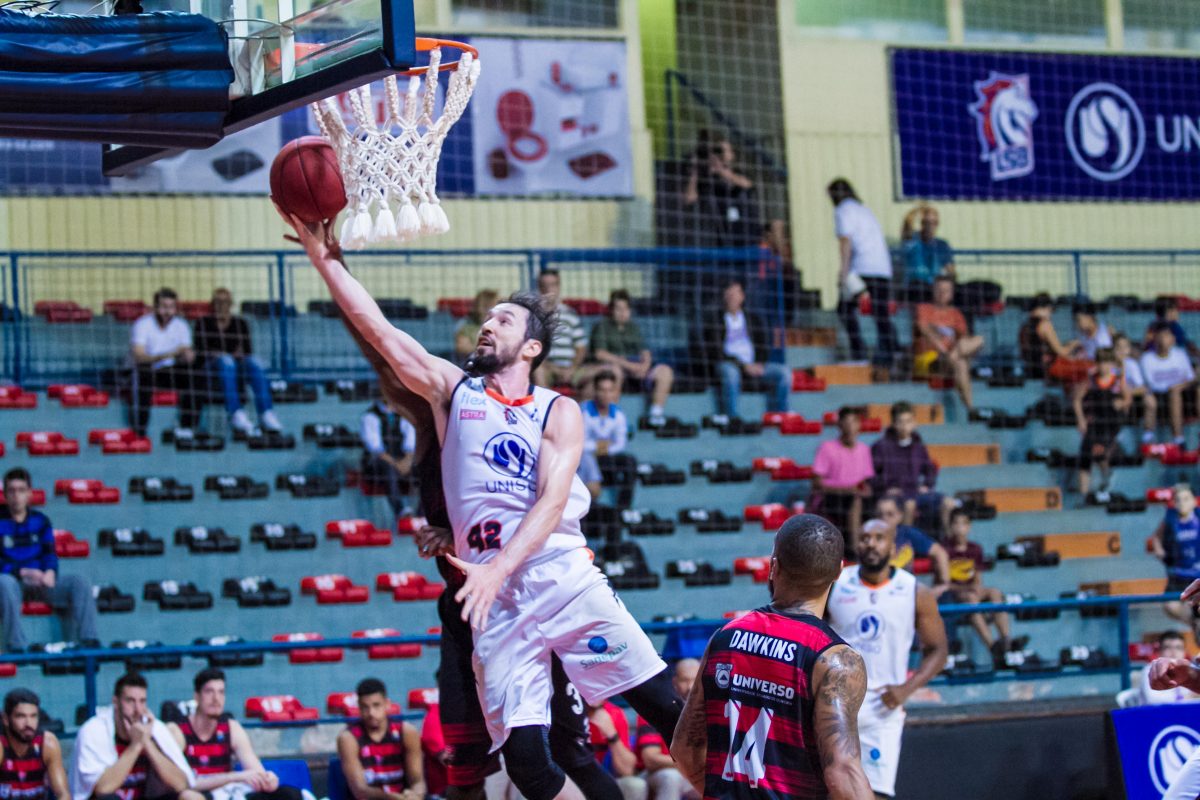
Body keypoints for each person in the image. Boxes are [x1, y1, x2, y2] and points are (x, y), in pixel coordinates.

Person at [286, 212, 682, 800]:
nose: (487, 325)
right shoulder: (453, 392)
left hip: (560, 577)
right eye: (487, 317)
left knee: (664, 708)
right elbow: (381, 333)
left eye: (504, 319)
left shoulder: (558, 409)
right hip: (493, 602)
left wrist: (495, 566)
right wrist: (325, 261)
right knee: (525, 763)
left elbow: (551, 502)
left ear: (532, 347)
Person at [332, 283, 621, 800]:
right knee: (466, 769)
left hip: (528, 595)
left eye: (501, 323)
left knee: (569, 752)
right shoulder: (442, 407)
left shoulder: (526, 419)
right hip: (467, 606)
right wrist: (337, 280)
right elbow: (384, 353)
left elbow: (546, 506)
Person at [669, 514, 873, 800]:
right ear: (839, 571)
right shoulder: (835, 660)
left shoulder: (725, 638)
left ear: (773, 566)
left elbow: (684, 749)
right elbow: (843, 772)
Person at [826, 518, 948, 800]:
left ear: (893, 548)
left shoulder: (915, 592)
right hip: (835, 707)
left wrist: (907, 688)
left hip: (883, 711)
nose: (871, 544)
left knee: (876, 794)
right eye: (865, 538)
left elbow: (938, 650)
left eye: (879, 538)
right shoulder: (835, 583)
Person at [0, 468, 98, 653]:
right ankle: (16, 646)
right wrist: (22, 572)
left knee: (78, 582)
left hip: (40, 582)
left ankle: (89, 641)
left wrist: (50, 572)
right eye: (11, 491)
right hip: (12, 583)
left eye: (21, 490)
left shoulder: (41, 521)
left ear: (29, 493)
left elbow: (49, 554)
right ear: (5, 494)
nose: (16, 496)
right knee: (4, 583)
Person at [167, 669, 300, 800]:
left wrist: (268, 779)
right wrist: (235, 777)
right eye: (209, 692)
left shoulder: (231, 727)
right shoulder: (178, 730)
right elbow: (184, 784)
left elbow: (256, 771)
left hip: (227, 794)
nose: (216, 698)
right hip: (198, 794)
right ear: (197, 696)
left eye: (221, 692)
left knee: (289, 794)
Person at [70, 672, 199, 800]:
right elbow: (103, 789)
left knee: (190, 797)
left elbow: (181, 784)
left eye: (142, 701)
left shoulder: (155, 729)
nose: (137, 709)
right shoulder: (94, 731)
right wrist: (135, 746)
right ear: (115, 702)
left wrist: (147, 743)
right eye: (130, 701)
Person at [193, 288, 282, 436]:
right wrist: (221, 355)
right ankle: (236, 413)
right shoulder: (203, 323)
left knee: (255, 363)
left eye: (225, 302)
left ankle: (266, 413)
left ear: (231, 304)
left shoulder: (240, 323)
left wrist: (235, 355)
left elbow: (247, 351)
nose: (221, 306)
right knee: (226, 361)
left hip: (235, 365)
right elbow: (200, 351)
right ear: (212, 304)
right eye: (218, 302)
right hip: (211, 367)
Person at [828, 178, 895, 366]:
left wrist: (843, 272)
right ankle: (890, 354)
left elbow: (846, 241)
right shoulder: (864, 210)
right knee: (881, 314)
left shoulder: (843, 210)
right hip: (882, 268)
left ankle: (859, 352)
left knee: (844, 308)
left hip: (862, 268)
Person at [700, 280, 789, 418]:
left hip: (754, 364)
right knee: (730, 373)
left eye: (735, 294)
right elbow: (715, 350)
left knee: (784, 373)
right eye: (729, 294)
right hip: (730, 364)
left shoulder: (753, 319)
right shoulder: (715, 321)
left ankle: (781, 414)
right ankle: (732, 417)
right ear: (724, 297)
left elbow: (763, 344)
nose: (732, 297)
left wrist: (759, 363)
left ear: (742, 296)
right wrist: (742, 365)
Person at [589, 290, 674, 425]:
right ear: (611, 310)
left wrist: (644, 366)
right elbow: (600, 354)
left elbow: (645, 352)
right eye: (618, 309)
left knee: (665, 371)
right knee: (615, 371)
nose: (622, 312)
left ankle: (656, 414)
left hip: (636, 370)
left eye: (626, 309)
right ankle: (611, 417)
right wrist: (629, 366)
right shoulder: (602, 326)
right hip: (617, 369)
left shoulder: (633, 328)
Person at [870, 401, 955, 534]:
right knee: (909, 505)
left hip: (915, 492)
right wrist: (886, 488)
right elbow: (871, 475)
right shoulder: (881, 446)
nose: (905, 426)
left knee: (949, 503)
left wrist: (927, 485)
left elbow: (930, 469)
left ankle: (949, 541)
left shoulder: (918, 446)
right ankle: (906, 544)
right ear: (893, 423)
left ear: (915, 423)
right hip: (893, 495)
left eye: (908, 421)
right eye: (900, 422)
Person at [128, 288, 202, 437]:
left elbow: (185, 352)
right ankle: (140, 431)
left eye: (171, 307)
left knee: (195, 374)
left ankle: (187, 427)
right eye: (164, 307)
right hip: (148, 370)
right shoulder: (142, 324)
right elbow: (139, 356)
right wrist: (169, 354)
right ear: (155, 307)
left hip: (170, 371)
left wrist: (188, 356)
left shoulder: (181, 325)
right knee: (144, 373)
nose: (167, 312)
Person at [337, 678, 424, 800]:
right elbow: (360, 790)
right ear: (359, 707)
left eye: (376, 705)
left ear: (387, 704)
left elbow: (417, 780)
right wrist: (394, 798)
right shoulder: (348, 738)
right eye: (365, 707)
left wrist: (416, 795)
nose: (371, 713)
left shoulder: (407, 732)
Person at [943, 510, 1012, 663]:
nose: (960, 528)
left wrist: (977, 588)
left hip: (971, 590)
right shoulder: (945, 550)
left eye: (964, 523)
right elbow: (944, 583)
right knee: (971, 599)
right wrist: (966, 590)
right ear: (951, 526)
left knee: (995, 593)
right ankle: (992, 646)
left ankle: (1006, 641)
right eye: (956, 523)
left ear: (969, 527)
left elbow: (978, 579)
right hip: (955, 592)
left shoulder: (975, 549)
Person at [913, 276, 983, 410]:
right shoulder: (923, 308)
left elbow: (964, 339)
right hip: (930, 359)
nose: (942, 293)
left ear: (951, 293)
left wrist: (955, 352)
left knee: (978, 340)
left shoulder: (956, 314)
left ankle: (970, 409)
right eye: (939, 289)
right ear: (933, 291)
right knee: (960, 363)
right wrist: (942, 348)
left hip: (951, 358)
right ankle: (970, 409)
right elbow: (924, 328)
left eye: (946, 290)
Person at [811, 407, 874, 554]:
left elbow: (866, 481)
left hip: (857, 497)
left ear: (859, 425)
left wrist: (867, 490)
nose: (851, 427)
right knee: (855, 500)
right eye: (847, 423)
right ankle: (856, 552)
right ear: (839, 425)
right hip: (831, 498)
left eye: (854, 422)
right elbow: (816, 483)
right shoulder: (827, 448)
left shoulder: (864, 450)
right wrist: (847, 490)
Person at [632, 661, 696, 800]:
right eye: (684, 680)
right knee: (671, 777)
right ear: (674, 682)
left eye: (695, 680)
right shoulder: (655, 709)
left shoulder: (709, 712)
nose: (690, 687)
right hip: (655, 774)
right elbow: (651, 759)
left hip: (691, 773)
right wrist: (695, 763)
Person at [682, 133, 758, 249]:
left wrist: (720, 169)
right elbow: (689, 199)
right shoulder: (707, 179)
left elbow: (747, 184)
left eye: (723, 151)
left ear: (732, 155)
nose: (720, 154)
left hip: (743, 235)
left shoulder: (740, 173)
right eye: (717, 151)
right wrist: (695, 173)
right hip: (717, 238)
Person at [1073, 349, 1129, 500]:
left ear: (1112, 364)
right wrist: (1081, 419)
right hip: (1094, 422)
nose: (1103, 366)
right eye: (1100, 362)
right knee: (1085, 457)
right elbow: (1077, 400)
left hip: (1110, 424)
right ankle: (1082, 496)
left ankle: (1107, 478)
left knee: (1099, 452)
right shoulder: (1090, 380)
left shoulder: (1117, 381)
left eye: (1106, 362)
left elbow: (1128, 399)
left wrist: (1121, 403)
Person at [1149, 484, 1200, 638]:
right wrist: (1160, 552)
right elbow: (1156, 538)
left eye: (1186, 499)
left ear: (1194, 501)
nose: (1182, 503)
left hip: (1197, 575)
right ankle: (1194, 623)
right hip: (1178, 574)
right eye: (1178, 500)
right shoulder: (1170, 520)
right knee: (1170, 605)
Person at [0, 688, 69, 800]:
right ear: (6, 719)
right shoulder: (1, 745)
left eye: (33, 716)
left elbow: (63, 794)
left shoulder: (47, 743)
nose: (29, 723)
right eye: (21, 716)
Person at [873, 498, 950, 594]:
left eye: (890, 514)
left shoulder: (908, 534)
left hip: (907, 591)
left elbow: (940, 553)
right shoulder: (870, 539)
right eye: (880, 515)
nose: (884, 519)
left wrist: (944, 585)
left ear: (900, 516)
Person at [1140, 322, 1197, 446]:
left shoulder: (1180, 355)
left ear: (1173, 339)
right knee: (1153, 399)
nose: (1163, 339)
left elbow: (1191, 378)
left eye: (1166, 335)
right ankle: (1149, 440)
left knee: (1178, 393)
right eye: (1160, 336)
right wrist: (1172, 388)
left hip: (1182, 396)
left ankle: (1179, 439)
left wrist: (1178, 387)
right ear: (1155, 339)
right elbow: (1149, 385)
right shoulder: (1146, 359)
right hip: (1159, 397)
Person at [360, 395, 417, 517]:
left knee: (426, 468)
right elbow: (376, 449)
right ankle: (400, 510)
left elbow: (411, 444)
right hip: (378, 464)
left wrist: (407, 461)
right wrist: (397, 464)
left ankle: (422, 515)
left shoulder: (404, 414)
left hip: (403, 461)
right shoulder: (370, 416)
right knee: (387, 468)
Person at [534, 269, 589, 389]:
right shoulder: (533, 316)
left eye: (552, 285)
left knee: (597, 376)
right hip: (547, 369)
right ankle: (546, 401)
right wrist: (553, 368)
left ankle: (583, 402)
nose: (548, 289)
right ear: (539, 288)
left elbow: (581, 348)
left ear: (559, 287)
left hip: (572, 368)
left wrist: (572, 369)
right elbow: (532, 349)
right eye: (544, 285)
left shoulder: (570, 314)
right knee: (538, 371)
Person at [579, 372, 628, 502]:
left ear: (615, 392)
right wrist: (601, 446)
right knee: (585, 455)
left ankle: (624, 507)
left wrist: (603, 449)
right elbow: (579, 443)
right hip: (584, 455)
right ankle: (592, 487)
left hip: (606, 456)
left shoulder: (618, 414)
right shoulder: (583, 411)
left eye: (610, 390)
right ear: (595, 391)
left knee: (629, 463)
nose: (606, 395)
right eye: (602, 390)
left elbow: (621, 444)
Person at [585, 703, 644, 800]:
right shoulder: (568, 711)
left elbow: (627, 770)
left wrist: (612, 735)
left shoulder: (614, 712)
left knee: (635, 785)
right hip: (576, 781)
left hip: (608, 779)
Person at [899, 204, 955, 301]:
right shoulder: (912, 240)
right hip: (913, 287)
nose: (930, 226)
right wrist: (919, 208)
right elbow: (907, 224)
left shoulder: (942, 245)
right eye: (926, 222)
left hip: (933, 288)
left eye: (933, 222)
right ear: (921, 223)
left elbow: (951, 270)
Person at [1017, 294, 1075, 381]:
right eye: (1051, 310)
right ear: (1046, 308)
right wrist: (1075, 344)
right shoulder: (1045, 324)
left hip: (1029, 370)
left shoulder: (1024, 326)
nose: (1051, 314)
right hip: (1046, 371)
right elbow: (1062, 352)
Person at [1114, 333, 1157, 443]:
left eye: (1125, 347)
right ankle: (1116, 433)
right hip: (1114, 397)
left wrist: (1127, 393)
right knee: (1120, 401)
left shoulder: (1132, 364)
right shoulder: (1109, 365)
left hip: (1131, 396)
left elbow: (1141, 387)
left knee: (1150, 400)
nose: (1122, 351)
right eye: (1118, 347)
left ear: (1129, 349)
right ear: (1112, 348)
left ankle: (1148, 436)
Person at [1139, 632, 1199, 705]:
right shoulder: (1151, 669)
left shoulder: (1189, 669)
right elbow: (1152, 700)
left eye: (1178, 648)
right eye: (1168, 648)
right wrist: (1189, 697)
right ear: (1159, 651)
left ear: (1184, 651)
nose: (1173, 652)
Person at [455, 290, 500, 363]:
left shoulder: (500, 325)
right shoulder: (466, 324)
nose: (489, 310)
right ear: (476, 307)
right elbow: (461, 348)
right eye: (485, 306)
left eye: (493, 306)